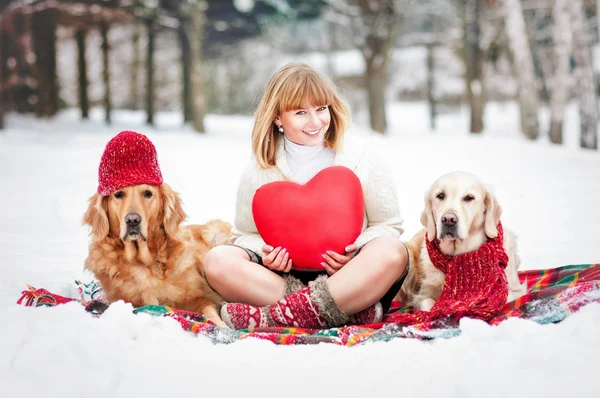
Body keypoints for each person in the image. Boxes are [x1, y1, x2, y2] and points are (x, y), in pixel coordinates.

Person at [203, 62, 408, 330]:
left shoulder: (361, 155)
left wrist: (355, 252)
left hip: (351, 273)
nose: (315, 122)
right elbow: (244, 234)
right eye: (301, 112)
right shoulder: (259, 169)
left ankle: (274, 316)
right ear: (277, 117)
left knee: (392, 252)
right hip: (282, 279)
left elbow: (388, 225)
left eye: (321, 109)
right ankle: (347, 310)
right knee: (217, 261)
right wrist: (265, 255)